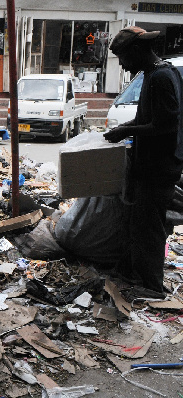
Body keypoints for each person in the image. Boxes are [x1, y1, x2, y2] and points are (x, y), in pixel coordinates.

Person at [103, 26, 183, 297]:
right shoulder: (155, 74)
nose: (124, 66)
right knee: (141, 225)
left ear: (136, 51)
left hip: (157, 169)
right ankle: (136, 274)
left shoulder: (161, 77)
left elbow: (166, 124)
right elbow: (149, 119)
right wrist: (123, 129)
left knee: (150, 229)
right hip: (150, 167)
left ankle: (152, 287)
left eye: (124, 58)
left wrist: (126, 131)